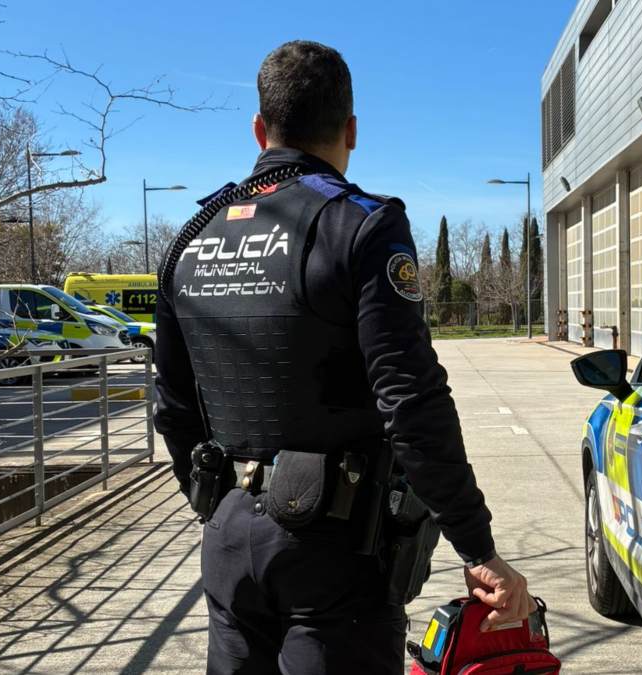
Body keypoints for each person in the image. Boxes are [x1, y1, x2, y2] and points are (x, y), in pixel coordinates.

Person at [153, 40, 535, 674]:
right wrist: (477, 547)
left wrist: (215, 499)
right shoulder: (361, 226)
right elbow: (411, 399)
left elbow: (172, 407)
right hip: (335, 552)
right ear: (351, 129)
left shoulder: (193, 239)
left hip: (227, 541)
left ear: (259, 129)